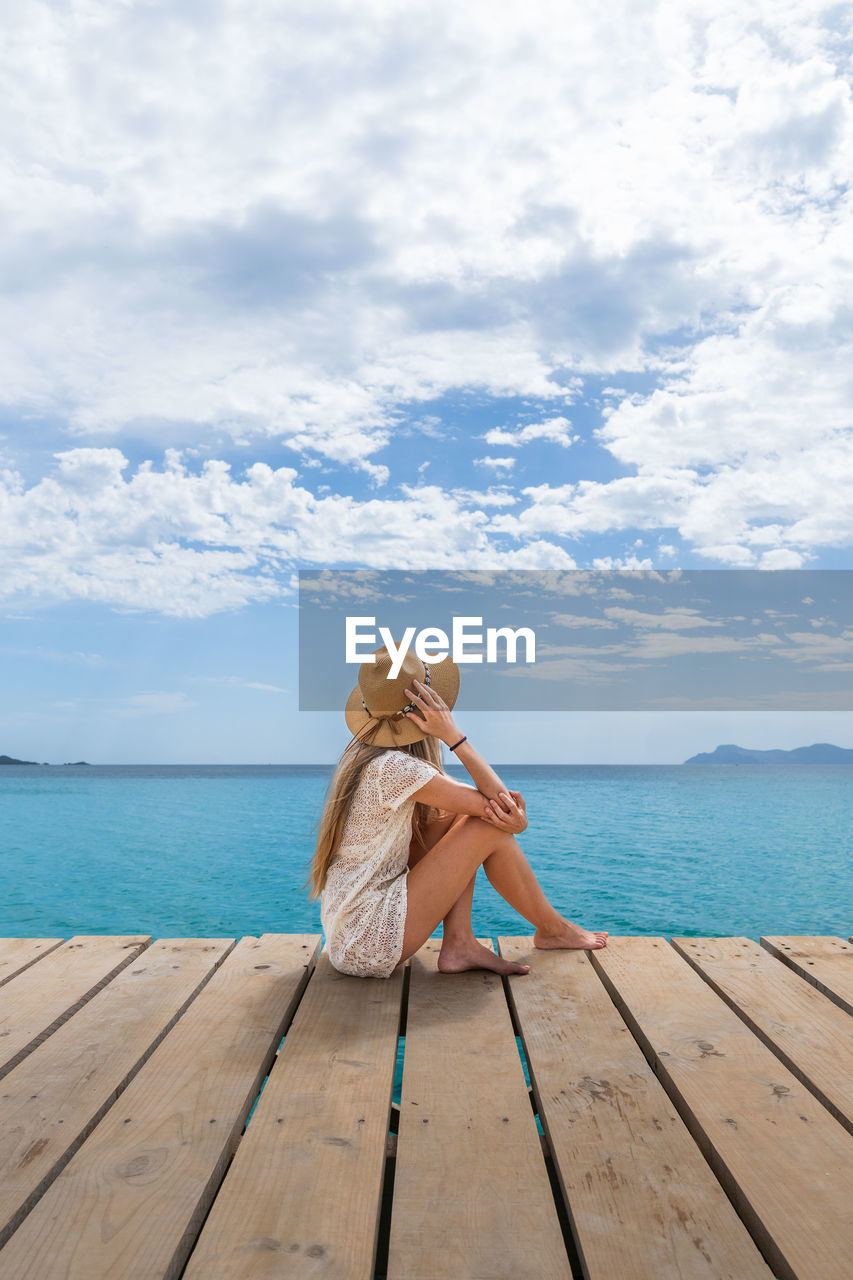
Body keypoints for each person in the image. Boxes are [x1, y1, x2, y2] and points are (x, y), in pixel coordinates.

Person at [308, 645, 608, 978]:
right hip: (365, 942)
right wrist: (452, 734)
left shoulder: (365, 758)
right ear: (427, 708)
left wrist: (509, 817)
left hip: (347, 931)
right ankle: (552, 928)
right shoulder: (393, 768)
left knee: (452, 816)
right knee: (488, 825)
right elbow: (501, 807)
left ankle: (460, 942)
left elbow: (478, 804)